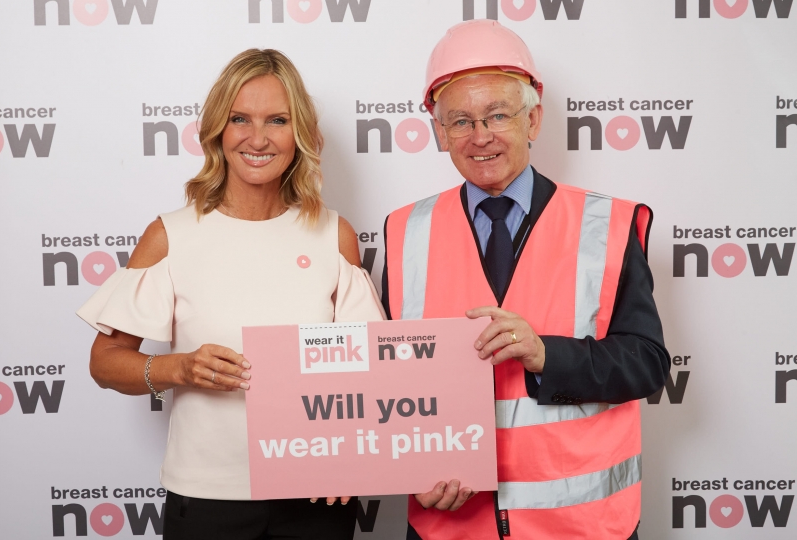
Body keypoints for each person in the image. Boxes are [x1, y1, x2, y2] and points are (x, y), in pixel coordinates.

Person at [77, 49, 384, 540]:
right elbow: (105, 362)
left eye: (277, 120)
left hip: (315, 493)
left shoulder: (334, 235)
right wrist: (179, 368)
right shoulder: (171, 235)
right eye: (240, 118)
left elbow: (367, 369)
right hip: (205, 498)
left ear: (300, 132)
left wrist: (351, 455)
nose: (257, 138)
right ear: (218, 129)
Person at [381, 20, 670, 540]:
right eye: (461, 121)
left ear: (533, 120)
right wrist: (409, 472)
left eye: (497, 115)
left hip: (578, 525)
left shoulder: (606, 225)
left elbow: (647, 365)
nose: (480, 136)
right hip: (449, 526)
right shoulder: (404, 231)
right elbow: (385, 384)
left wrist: (545, 354)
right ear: (439, 132)